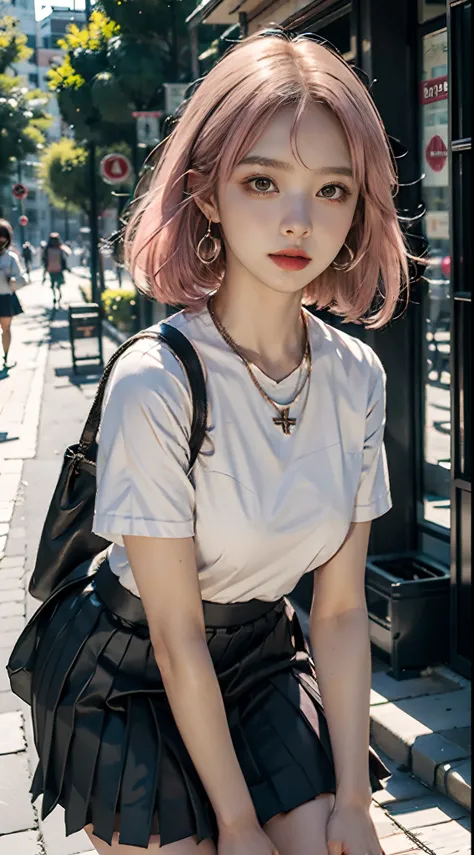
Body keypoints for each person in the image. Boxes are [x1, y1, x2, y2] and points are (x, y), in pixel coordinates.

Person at [9, 30, 413, 854]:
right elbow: (175, 634)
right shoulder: (155, 380)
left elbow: (336, 614)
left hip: (261, 655)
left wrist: (353, 802)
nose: (298, 219)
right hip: (129, 671)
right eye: (262, 180)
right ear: (205, 193)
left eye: (332, 189)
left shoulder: (357, 376)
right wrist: (234, 823)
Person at [0, 219, 26, 371]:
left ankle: (6, 356)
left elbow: (23, 277)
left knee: (6, 329)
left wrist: (13, 280)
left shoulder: (11, 257)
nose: (1, 239)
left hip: (5, 298)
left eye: (3, 236)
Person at [42, 232, 70, 309]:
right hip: (59, 269)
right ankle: (59, 295)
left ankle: (55, 296)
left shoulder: (47, 249)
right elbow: (65, 257)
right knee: (59, 284)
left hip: (51, 269)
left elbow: (44, 259)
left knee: (53, 283)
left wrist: (45, 270)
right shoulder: (60, 248)